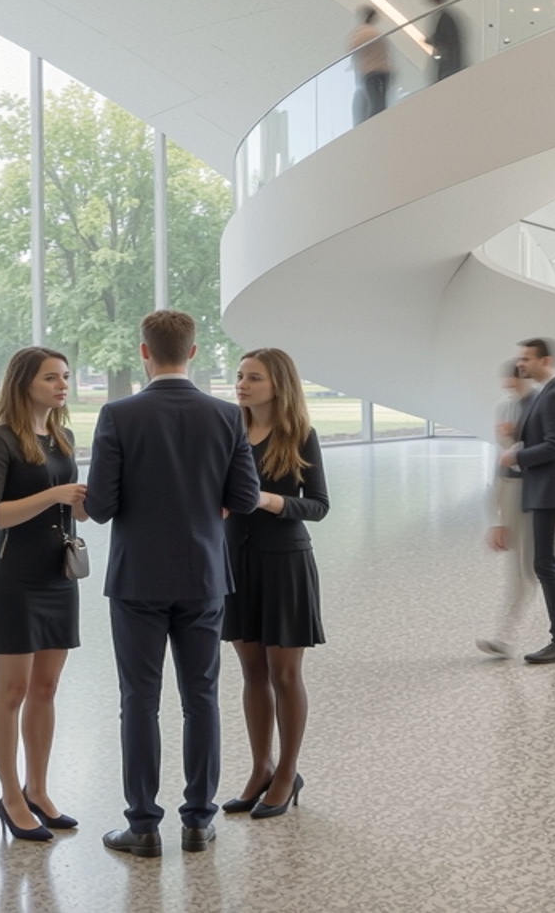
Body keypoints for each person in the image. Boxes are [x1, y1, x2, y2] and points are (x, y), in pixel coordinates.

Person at [83, 309, 263, 856]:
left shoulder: (118, 414)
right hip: (204, 575)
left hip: (137, 577)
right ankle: (198, 821)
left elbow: (101, 506)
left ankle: (142, 826)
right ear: (192, 351)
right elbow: (248, 499)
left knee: (139, 700)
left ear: (144, 352)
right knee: (201, 698)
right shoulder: (227, 416)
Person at [0, 345, 87, 844]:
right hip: (14, 579)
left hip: (58, 576)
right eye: (50, 378)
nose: (62, 384)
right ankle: (10, 796)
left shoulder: (63, 437)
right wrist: (54, 495)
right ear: (24, 383)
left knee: (46, 689)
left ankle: (38, 790)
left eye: (64, 376)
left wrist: (83, 503)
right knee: (13, 691)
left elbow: (71, 506)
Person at [224, 345, 330, 819]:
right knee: (252, 673)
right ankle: (260, 766)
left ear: (278, 385)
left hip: (285, 562)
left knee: (284, 673)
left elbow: (320, 505)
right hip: (235, 561)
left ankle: (287, 772)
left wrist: (269, 500)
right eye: (241, 376)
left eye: (254, 378)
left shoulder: (300, 435)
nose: (242, 384)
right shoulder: (228, 430)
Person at [505, 337, 555, 664]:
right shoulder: (545, 395)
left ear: (546, 360)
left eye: (527, 359)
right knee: (544, 564)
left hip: (549, 492)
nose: (521, 364)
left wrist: (516, 457)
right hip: (542, 490)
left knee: (546, 565)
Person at [477, 357, 543, 656]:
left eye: (515, 383)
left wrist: (518, 439)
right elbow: (501, 456)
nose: (509, 390)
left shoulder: (542, 404)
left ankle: (510, 634)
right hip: (511, 490)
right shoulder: (504, 406)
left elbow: (548, 448)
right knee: (520, 571)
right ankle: (506, 635)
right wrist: (497, 518)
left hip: (535, 494)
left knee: (530, 571)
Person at [422, 0, 467, 82]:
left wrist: (430, 40)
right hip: (450, 58)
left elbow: (444, 37)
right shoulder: (447, 15)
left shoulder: (445, 16)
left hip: (449, 59)